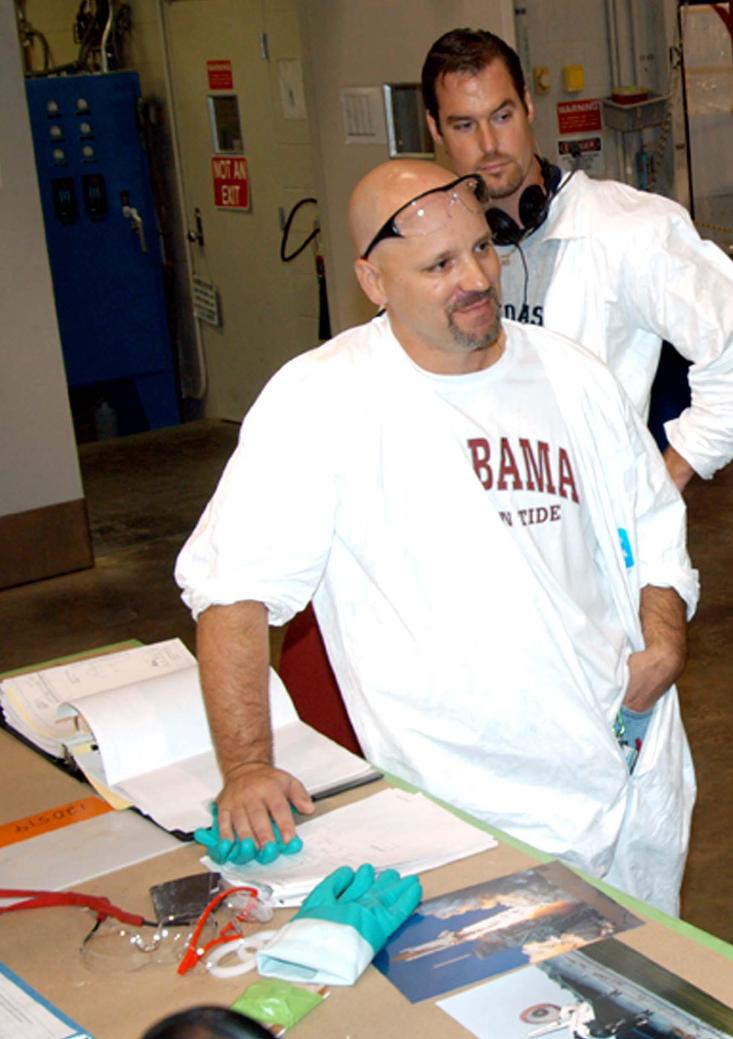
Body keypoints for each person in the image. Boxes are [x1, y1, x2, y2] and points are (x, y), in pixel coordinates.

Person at [175, 159, 699, 914]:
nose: (477, 278)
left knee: (648, 999)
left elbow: (653, 521)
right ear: (374, 281)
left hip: (625, 768)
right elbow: (233, 592)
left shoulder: (572, 375)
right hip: (468, 806)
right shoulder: (322, 401)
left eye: (482, 249)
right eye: (439, 264)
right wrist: (250, 765)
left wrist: (664, 642)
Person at [421, 29, 733, 493]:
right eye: (464, 125)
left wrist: (668, 474)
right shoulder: (429, 256)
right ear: (435, 129)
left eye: (503, 115)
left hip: (607, 539)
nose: (489, 143)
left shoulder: (625, 228)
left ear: (529, 106)